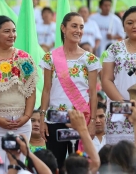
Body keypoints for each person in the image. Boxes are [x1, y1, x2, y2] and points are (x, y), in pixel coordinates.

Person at [39, 12, 101, 171]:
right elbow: (46, 90)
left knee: (80, 167)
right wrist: (42, 118)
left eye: (81, 27)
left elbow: (93, 92)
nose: (78, 30)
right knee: (55, 165)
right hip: (55, 120)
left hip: (80, 120)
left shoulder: (90, 59)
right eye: (74, 26)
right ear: (63, 28)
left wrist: (93, 121)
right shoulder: (50, 58)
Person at [0, 15, 37, 169]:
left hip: (21, 124)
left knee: (17, 167)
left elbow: (31, 90)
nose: (12, 35)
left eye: (14, 31)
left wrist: (26, 117)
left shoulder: (24, 58)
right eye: (6, 31)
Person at [102, 6, 136, 145]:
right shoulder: (114, 49)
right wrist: (124, 105)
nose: (135, 26)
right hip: (120, 115)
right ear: (123, 27)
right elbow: (106, 79)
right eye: (129, 23)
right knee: (119, 160)